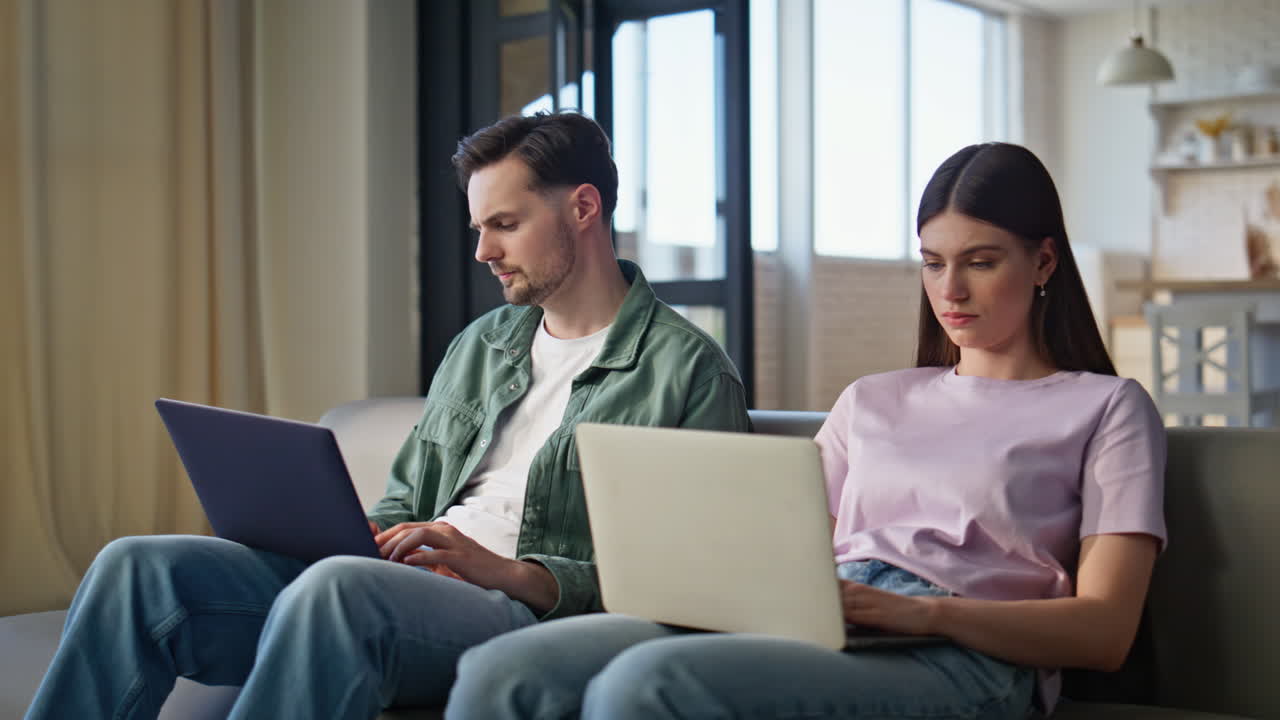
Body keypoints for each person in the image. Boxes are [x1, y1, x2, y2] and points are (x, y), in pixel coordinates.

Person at [25, 111, 750, 720]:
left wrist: (505, 570)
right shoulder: (482, 345)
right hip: (399, 583)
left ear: (584, 208)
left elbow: (693, 581)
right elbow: (407, 497)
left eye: (504, 224)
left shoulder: (685, 369)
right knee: (138, 568)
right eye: (477, 226)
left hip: (517, 612)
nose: (482, 251)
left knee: (339, 590)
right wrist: (371, 530)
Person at [445, 142, 1167, 720]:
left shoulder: (1107, 408)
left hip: (963, 658)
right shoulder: (871, 401)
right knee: (505, 670)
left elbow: (1104, 633)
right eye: (934, 263)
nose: (951, 290)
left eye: (981, 263)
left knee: (648, 686)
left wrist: (923, 615)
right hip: (831, 618)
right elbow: (788, 559)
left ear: (1043, 261)